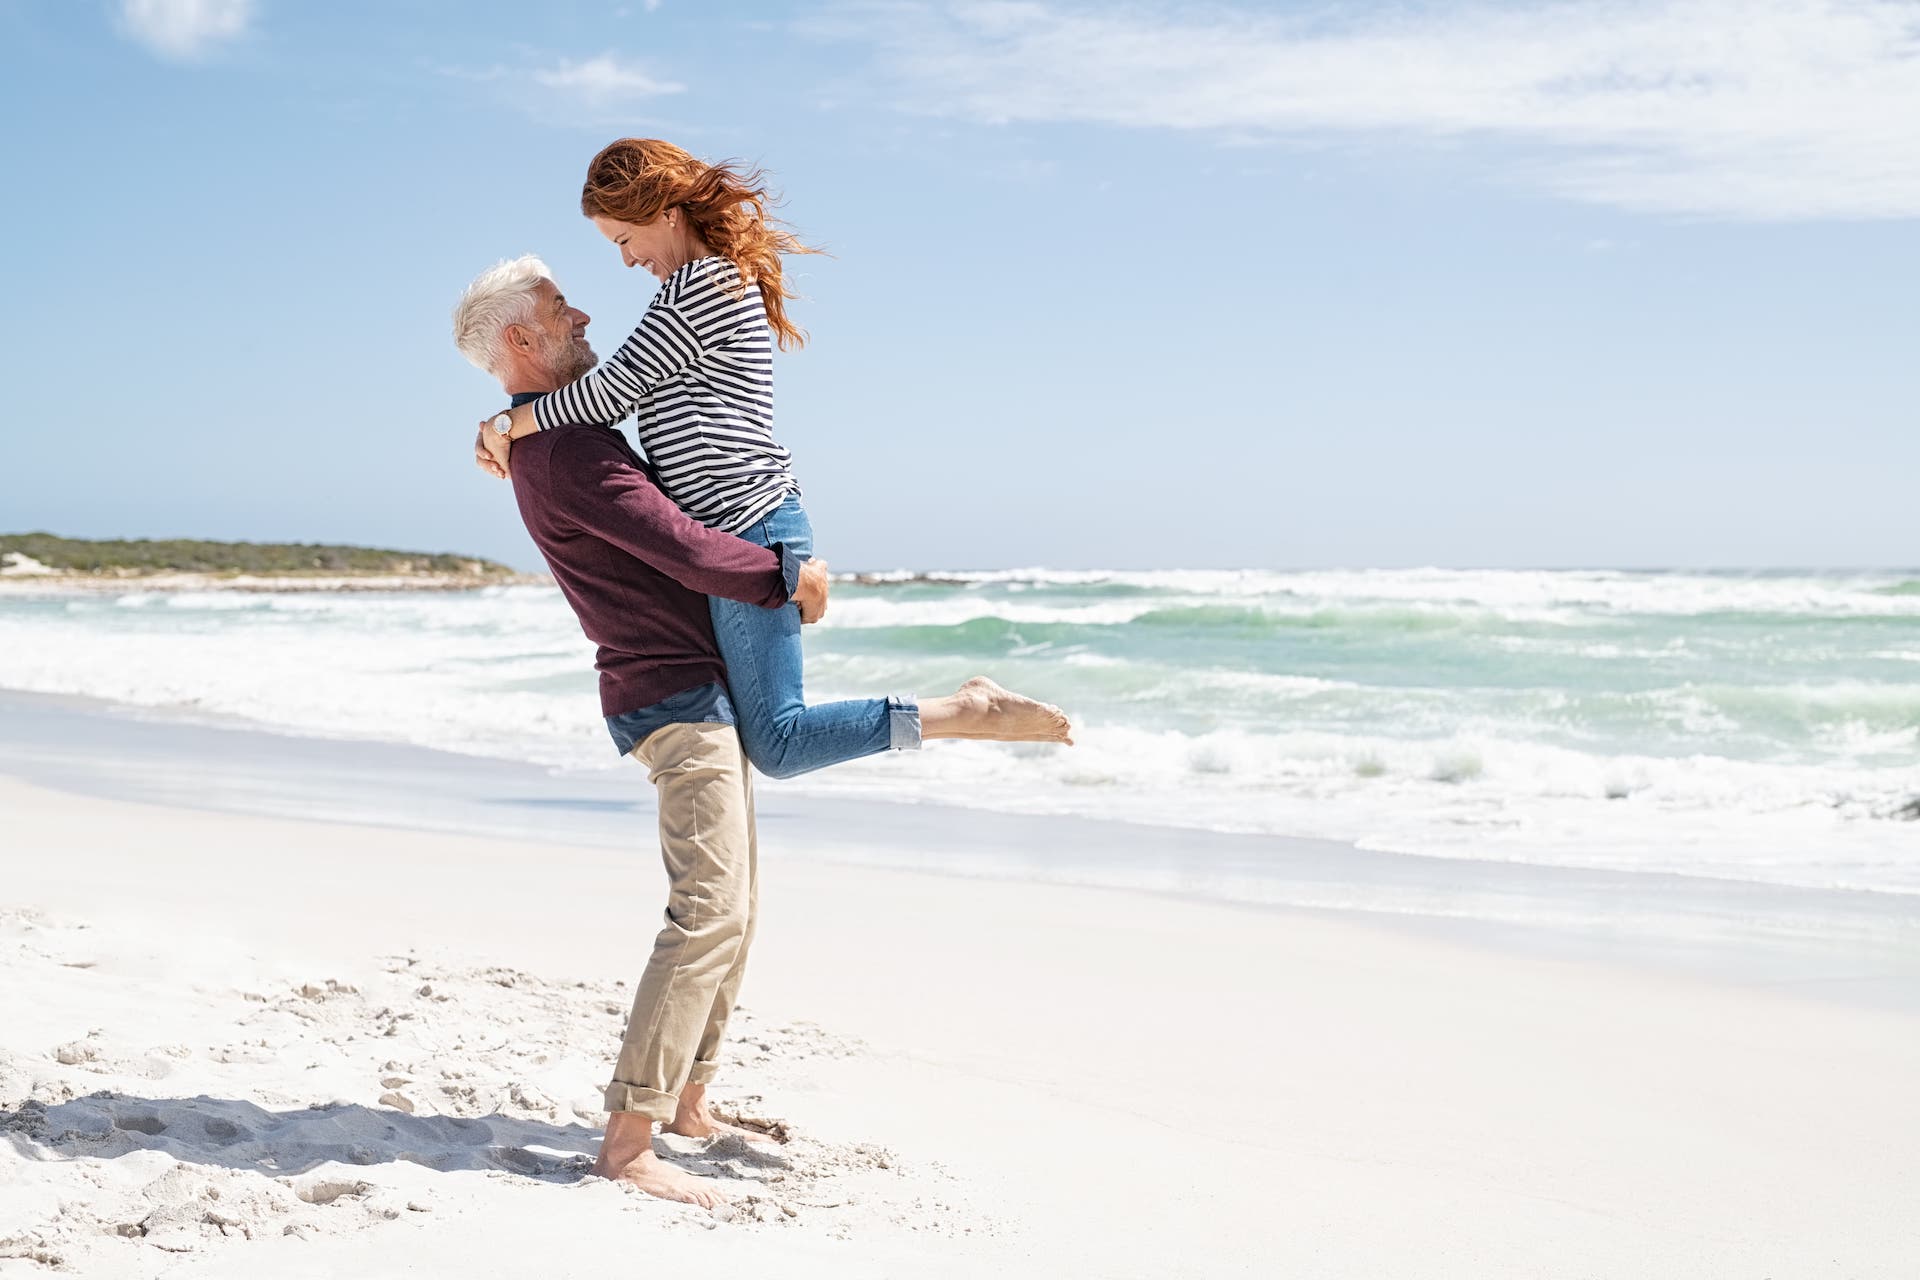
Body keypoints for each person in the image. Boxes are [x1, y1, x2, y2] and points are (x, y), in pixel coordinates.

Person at [472, 138, 1072, 778]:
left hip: (751, 522)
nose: (625, 260)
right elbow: (608, 402)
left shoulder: (701, 286)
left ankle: (966, 711)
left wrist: (507, 423)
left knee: (779, 743)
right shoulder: (692, 288)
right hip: (739, 525)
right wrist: (507, 429)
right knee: (768, 737)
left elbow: (607, 395)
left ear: (665, 214)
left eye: (624, 238)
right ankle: (962, 711)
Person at [453, 255, 824, 1208]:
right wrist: (789, 575)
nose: (583, 313)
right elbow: (681, 546)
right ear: (521, 343)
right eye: (557, 308)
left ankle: (692, 1100)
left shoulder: (558, 436)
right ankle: (627, 1141)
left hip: (690, 687)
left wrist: (499, 428)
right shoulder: (569, 452)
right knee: (707, 911)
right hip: (670, 695)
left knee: (734, 910)